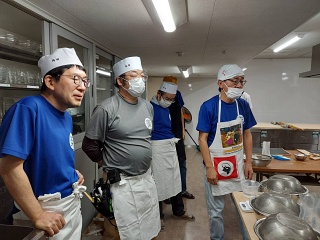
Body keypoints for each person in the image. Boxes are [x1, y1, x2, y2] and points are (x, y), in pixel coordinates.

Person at [0, 48, 87, 239]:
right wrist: (38, 214)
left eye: (84, 80)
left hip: (69, 205)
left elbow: (51, 156)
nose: (82, 87)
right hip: (44, 210)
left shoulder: (66, 117)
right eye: (75, 79)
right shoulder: (29, 108)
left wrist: (70, 173)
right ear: (50, 81)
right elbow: (9, 168)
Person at [82, 56, 160, 240]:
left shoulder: (148, 107)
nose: (140, 80)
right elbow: (89, 145)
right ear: (120, 81)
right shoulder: (106, 108)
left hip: (145, 179)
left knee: (148, 227)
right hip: (120, 183)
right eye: (134, 75)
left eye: (142, 75)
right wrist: (105, 162)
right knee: (119, 231)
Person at [196, 64, 256, 240]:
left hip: (238, 165)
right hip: (215, 165)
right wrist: (209, 168)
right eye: (234, 81)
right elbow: (202, 139)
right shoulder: (209, 107)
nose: (239, 85)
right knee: (215, 212)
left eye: (241, 81)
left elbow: (247, 134)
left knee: (243, 207)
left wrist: (249, 162)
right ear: (221, 83)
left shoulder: (243, 105)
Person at [150, 81, 195, 228]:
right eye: (167, 98)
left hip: (169, 145)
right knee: (158, 182)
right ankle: (158, 216)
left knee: (175, 179)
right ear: (159, 94)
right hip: (156, 148)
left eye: (172, 99)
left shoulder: (166, 108)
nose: (169, 102)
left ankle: (179, 210)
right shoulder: (149, 107)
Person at [163, 76, 195, 200]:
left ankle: (182, 190)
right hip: (165, 136)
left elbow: (181, 112)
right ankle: (167, 194)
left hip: (177, 133)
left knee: (182, 163)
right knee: (167, 166)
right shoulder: (159, 99)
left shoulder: (178, 95)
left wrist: (182, 130)